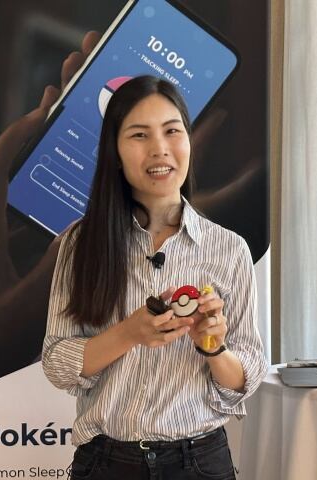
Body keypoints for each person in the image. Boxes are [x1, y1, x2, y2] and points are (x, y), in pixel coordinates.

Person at [42, 75, 268, 479]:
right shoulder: (81, 242)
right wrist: (129, 333)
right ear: (115, 152)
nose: (159, 148)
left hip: (198, 462)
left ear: (189, 142)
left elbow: (243, 379)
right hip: (106, 462)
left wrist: (213, 347)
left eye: (172, 131)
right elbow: (58, 363)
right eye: (139, 135)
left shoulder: (228, 248)